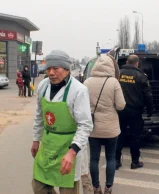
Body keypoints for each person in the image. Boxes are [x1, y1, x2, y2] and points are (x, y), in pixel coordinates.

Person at [31, 50, 93, 194]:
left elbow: (85, 125)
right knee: (39, 187)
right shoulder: (43, 86)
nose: (51, 72)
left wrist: (72, 152)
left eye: (55, 68)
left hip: (69, 148)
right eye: (48, 68)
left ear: (66, 69)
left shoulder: (78, 90)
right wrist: (35, 139)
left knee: (67, 190)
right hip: (48, 146)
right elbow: (39, 115)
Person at [84, 55, 126, 194]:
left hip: (93, 126)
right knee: (111, 157)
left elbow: (82, 105)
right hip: (111, 128)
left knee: (94, 158)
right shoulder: (114, 82)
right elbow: (121, 105)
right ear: (111, 67)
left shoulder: (87, 82)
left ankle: (96, 188)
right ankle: (109, 188)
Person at [116, 54, 153, 170]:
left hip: (120, 110)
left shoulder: (118, 74)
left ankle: (116, 161)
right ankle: (135, 162)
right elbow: (148, 95)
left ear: (127, 61)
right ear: (137, 63)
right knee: (135, 137)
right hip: (135, 112)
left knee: (119, 135)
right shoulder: (141, 76)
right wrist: (150, 110)